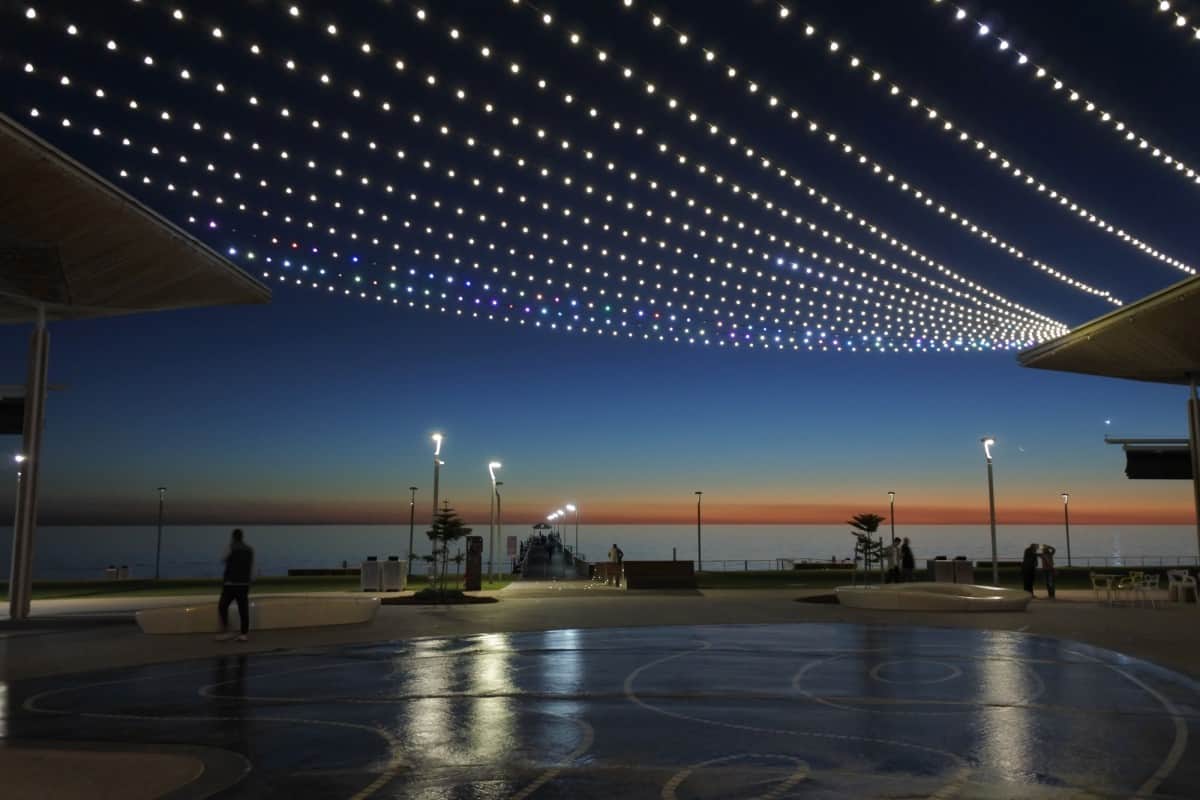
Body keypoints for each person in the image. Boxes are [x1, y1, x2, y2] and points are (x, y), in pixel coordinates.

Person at [216, 528, 254, 642]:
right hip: (243, 583)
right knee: (243, 609)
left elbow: (223, 559)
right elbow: (251, 566)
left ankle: (227, 631)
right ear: (242, 537)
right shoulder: (249, 550)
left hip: (230, 583)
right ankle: (243, 634)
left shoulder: (230, 548)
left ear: (233, 537)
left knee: (222, 606)